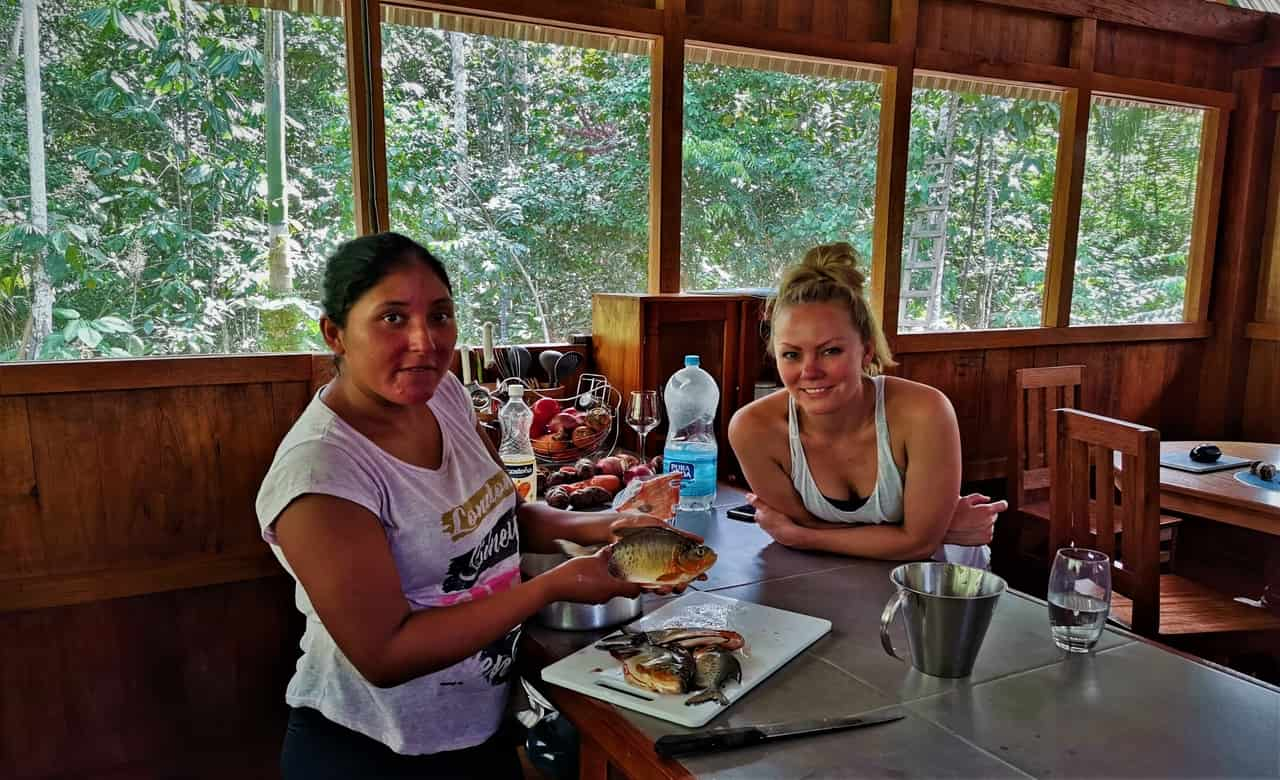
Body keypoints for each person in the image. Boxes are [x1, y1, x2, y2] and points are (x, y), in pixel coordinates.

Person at [256, 232, 686, 779]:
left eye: (440, 316)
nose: (424, 341)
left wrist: (607, 525)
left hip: (477, 729)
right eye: (392, 318)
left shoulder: (444, 396)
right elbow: (386, 655)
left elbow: (507, 515)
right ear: (335, 334)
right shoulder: (322, 471)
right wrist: (550, 586)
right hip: (374, 752)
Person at [728, 242, 1004, 566]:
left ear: (867, 351)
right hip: (837, 575)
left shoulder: (925, 412)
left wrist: (804, 537)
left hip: (940, 581)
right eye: (791, 354)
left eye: (830, 351)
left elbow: (918, 546)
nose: (809, 371)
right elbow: (912, 538)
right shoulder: (753, 429)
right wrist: (929, 530)